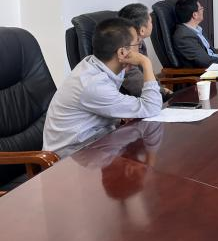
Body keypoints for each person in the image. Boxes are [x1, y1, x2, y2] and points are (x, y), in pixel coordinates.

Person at [43, 18, 162, 157]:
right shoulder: (93, 84)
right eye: (138, 44)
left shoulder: (95, 64)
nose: (139, 49)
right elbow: (152, 106)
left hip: (96, 142)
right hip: (71, 158)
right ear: (123, 53)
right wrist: (146, 63)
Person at [118, 3, 170, 98]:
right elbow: (138, 86)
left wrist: (161, 89)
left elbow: (148, 74)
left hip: (153, 93)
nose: (152, 24)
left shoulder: (140, 43)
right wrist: (162, 92)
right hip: (141, 99)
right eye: (150, 21)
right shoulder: (125, 51)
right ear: (142, 30)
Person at [173, 0, 218, 68]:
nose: (203, 10)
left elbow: (211, 53)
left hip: (215, 64)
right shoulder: (184, 36)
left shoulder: (197, 29)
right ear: (195, 15)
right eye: (201, 8)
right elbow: (205, 61)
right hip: (206, 70)